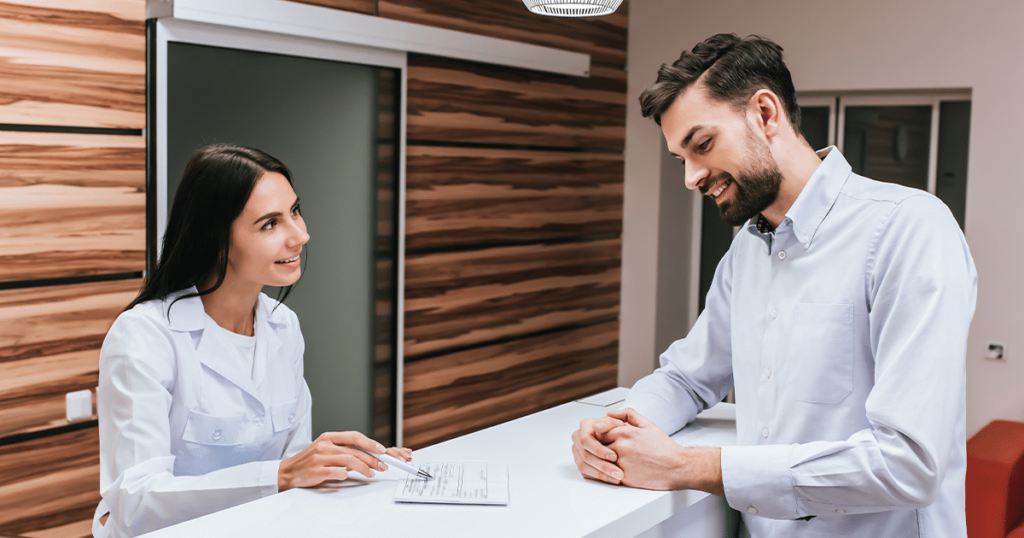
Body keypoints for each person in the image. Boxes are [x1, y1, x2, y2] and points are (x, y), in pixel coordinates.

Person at [571, 34, 976, 537]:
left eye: (702, 145)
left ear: (765, 113)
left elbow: (909, 464)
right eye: (682, 159)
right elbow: (688, 377)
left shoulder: (909, 229)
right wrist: (620, 427)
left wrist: (690, 466)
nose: (691, 177)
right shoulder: (747, 251)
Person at [92, 144, 412, 538]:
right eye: (269, 224)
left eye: (294, 211)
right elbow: (136, 503)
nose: (301, 235)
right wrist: (280, 475)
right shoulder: (143, 336)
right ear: (216, 239)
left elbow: (292, 466)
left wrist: (345, 465)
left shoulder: (283, 325)